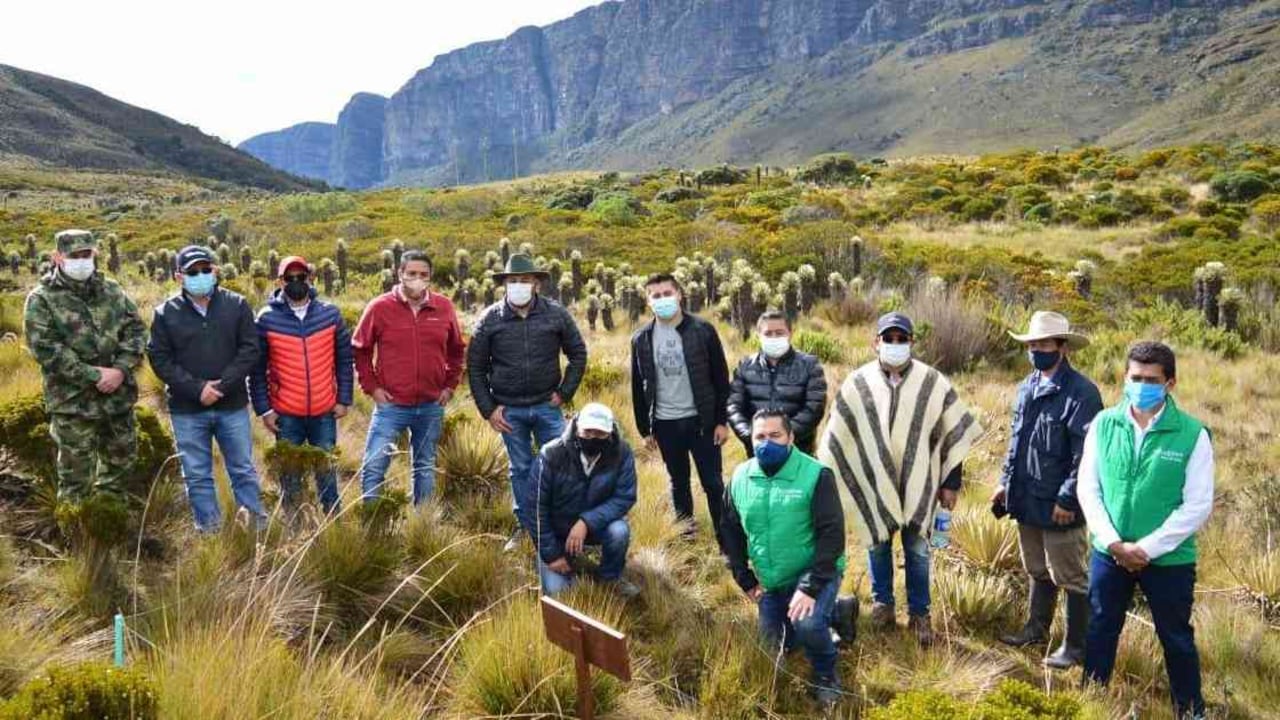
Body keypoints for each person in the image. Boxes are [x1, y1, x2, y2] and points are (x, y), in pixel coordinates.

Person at [819, 312, 981, 645]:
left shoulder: (932, 382)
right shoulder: (858, 382)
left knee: (918, 550)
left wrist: (951, 483)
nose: (895, 345)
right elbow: (839, 436)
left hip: (921, 484)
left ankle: (920, 613)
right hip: (873, 482)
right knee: (878, 544)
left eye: (901, 339)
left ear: (911, 342)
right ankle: (883, 605)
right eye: (888, 339)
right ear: (875, 342)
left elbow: (950, 434)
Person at [1078, 342, 1213, 720]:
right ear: (1125, 378)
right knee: (1101, 627)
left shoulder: (1192, 434)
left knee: (1176, 638)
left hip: (1169, 559)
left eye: (1151, 380)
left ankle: (1190, 711)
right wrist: (1114, 543)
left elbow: (1197, 505)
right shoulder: (1104, 424)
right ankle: (1090, 701)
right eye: (1135, 378)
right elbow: (1088, 489)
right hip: (1109, 552)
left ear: (1170, 383)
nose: (1141, 385)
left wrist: (1146, 549)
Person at [722, 410, 852, 707]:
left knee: (808, 626)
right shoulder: (741, 477)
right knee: (773, 651)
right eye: (760, 437)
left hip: (816, 572)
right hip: (771, 581)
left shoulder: (816, 475)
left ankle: (826, 673)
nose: (767, 443)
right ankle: (838, 611)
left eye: (775, 435)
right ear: (751, 439)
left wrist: (809, 587)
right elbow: (729, 532)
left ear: (791, 437)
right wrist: (745, 579)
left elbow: (832, 536)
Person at [995, 311, 1103, 668]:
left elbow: (1085, 453)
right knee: (1037, 567)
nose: (1036, 350)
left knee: (1069, 574)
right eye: (1032, 344)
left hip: (1060, 504)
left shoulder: (1082, 393)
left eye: (1043, 344)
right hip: (1026, 498)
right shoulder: (1027, 386)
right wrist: (1004, 485)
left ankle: (1076, 647)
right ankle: (1035, 631)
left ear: (1062, 347)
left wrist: (1068, 497)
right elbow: (1016, 442)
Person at [468, 253, 588, 546]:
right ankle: (527, 528)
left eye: (524, 280)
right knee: (520, 469)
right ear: (504, 284)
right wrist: (489, 409)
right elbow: (475, 367)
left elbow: (578, 354)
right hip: (508, 411)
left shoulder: (555, 314)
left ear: (536, 283)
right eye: (513, 281)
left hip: (548, 406)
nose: (519, 285)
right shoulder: (490, 319)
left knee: (562, 464)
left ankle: (564, 524)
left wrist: (564, 392)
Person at [23, 229, 147, 507]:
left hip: (117, 400)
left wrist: (120, 370)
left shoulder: (113, 291)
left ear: (95, 254)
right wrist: (93, 376)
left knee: (120, 467)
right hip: (73, 404)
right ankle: (78, 539)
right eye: (73, 255)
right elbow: (45, 348)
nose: (81, 260)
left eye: (86, 254)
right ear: (58, 257)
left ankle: (111, 523)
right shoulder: (41, 298)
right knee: (75, 478)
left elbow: (137, 331)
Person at [147, 245, 266, 532]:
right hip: (187, 410)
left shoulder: (237, 305)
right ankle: (210, 534)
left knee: (243, 470)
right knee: (197, 475)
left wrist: (222, 386)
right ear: (179, 276)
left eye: (205, 270)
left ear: (214, 270)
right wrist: (197, 389)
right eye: (192, 272)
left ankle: (257, 532)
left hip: (232, 405)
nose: (200, 275)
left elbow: (250, 349)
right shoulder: (165, 313)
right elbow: (160, 358)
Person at [354, 250, 465, 505]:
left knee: (425, 467)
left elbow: (457, 350)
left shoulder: (444, 307)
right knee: (374, 464)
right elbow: (360, 349)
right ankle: (373, 523)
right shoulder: (379, 307)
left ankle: (421, 524)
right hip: (391, 405)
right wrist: (372, 388)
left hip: (430, 405)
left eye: (423, 274)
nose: (417, 279)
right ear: (400, 274)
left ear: (430, 277)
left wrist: (449, 386)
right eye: (412, 273)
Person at [630, 273, 732, 544]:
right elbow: (638, 387)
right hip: (665, 424)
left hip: (703, 421)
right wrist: (645, 428)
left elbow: (721, 379)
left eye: (667, 293)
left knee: (713, 482)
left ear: (679, 295)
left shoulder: (703, 330)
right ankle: (687, 539)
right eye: (656, 295)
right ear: (648, 300)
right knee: (678, 483)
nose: (662, 299)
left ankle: (727, 541)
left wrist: (722, 421)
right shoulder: (641, 339)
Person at [250, 256, 354, 515]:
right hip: (286, 415)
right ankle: (295, 525)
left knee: (327, 472)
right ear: (280, 281)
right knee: (291, 475)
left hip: (324, 411)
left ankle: (333, 524)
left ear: (311, 278)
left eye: (301, 277)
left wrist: (344, 398)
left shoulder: (330, 314)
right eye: (290, 278)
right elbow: (256, 370)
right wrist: (264, 410)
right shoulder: (266, 318)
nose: (296, 282)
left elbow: (344, 359)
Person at [531, 403, 638, 596]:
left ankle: (610, 578)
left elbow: (624, 497)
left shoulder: (622, 453)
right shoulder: (551, 454)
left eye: (600, 434)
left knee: (619, 531)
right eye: (587, 432)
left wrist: (586, 522)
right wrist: (552, 555)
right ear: (577, 427)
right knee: (560, 594)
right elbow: (535, 508)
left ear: (610, 432)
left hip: (595, 526)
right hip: (556, 532)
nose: (592, 438)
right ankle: (552, 560)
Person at [727, 310, 828, 456]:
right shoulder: (745, 366)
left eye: (779, 333)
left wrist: (783, 436)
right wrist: (754, 437)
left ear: (790, 333)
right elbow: (734, 406)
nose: (774, 337)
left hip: (798, 451)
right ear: (759, 335)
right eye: (768, 333)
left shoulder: (809, 365)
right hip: (757, 453)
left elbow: (814, 406)